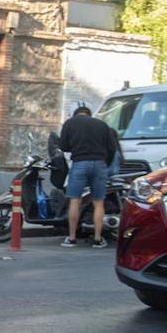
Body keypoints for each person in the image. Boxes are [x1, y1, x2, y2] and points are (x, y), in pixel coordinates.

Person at [59, 105, 113, 248]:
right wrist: (104, 163)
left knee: (75, 201)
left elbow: (63, 146)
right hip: (99, 164)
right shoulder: (102, 125)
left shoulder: (70, 123)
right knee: (98, 202)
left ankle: (71, 238)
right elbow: (111, 147)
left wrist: (75, 146)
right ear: (89, 114)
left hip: (79, 163)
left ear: (76, 114)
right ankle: (97, 238)